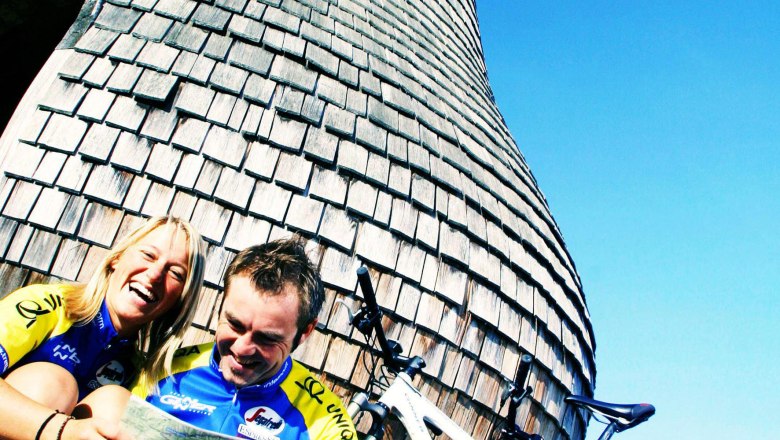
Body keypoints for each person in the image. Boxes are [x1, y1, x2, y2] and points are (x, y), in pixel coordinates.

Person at [81, 238, 357, 440]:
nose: (241, 348)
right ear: (220, 305)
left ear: (305, 332)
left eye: (267, 339)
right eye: (234, 324)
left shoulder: (326, 421)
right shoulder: (167, 368)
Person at [0, 215, 206, 440]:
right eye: (148, 255)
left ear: (180, 301)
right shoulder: (47, 305)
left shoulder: (140, 372)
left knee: (119, 408)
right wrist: (62, 431)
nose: (155, 274)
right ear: (116, 258)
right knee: (53, 384)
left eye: (175, 273)